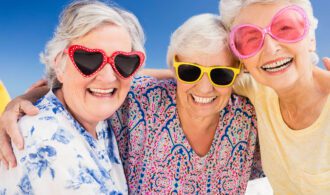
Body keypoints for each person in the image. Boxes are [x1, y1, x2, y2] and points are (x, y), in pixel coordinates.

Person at [0, 13, 263, 194]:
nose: (205, 87)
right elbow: (106, 81)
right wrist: (37, 94)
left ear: (236, 75)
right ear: (175, 70)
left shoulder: (249, 115)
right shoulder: (143, 100)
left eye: (221, 74)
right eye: (189, 72)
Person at [0, 0, 146, 194]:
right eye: (89, 59)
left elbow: (189, 84)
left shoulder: (89, 114)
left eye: (124, 62)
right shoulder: (51, 146)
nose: (109, 77)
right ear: (59, 64)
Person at [218, 0, 330, 194]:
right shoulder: (258, 89)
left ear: (311, 39)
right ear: (243, 61)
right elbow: (200, 81)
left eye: (285, 28)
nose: (270, 50)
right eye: (250, 39)